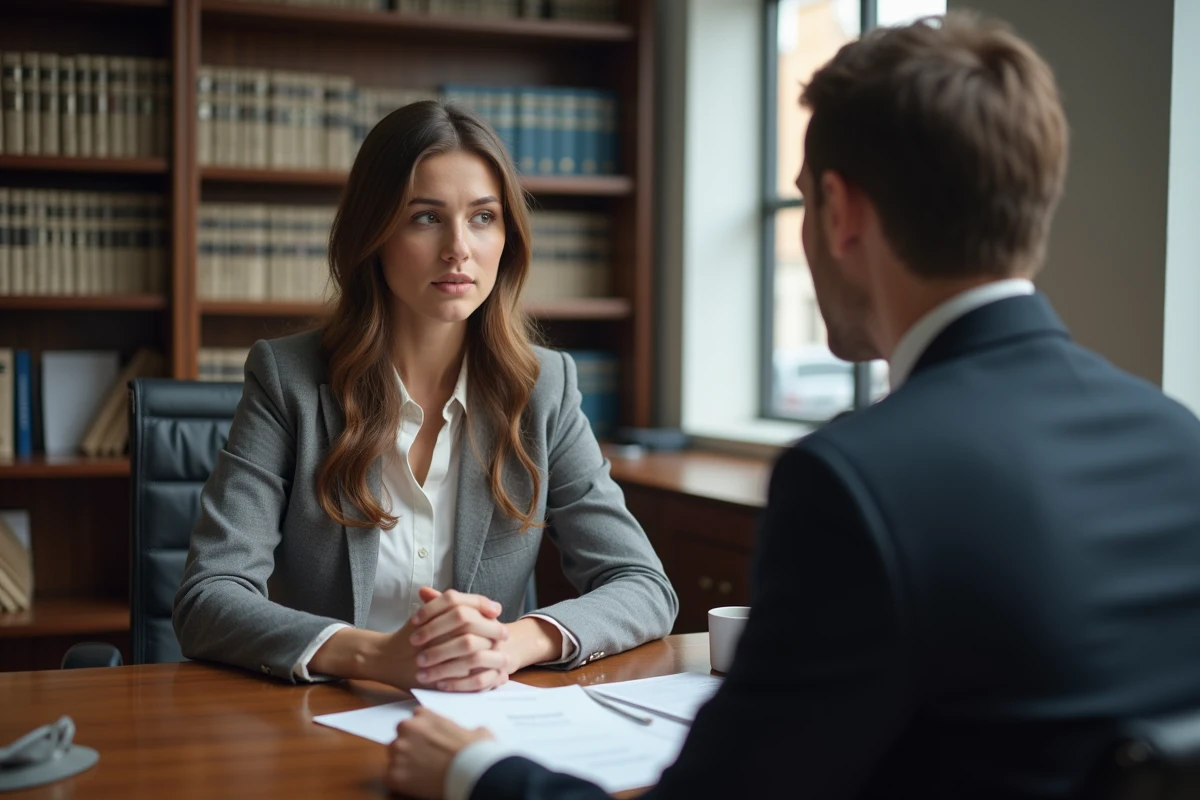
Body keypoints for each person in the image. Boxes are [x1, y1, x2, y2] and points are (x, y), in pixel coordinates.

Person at [383, 12, 1200, 800]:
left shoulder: (858, 481)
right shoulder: (1177, 442)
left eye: (805, 202)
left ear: (840, 213)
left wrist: (475, 775)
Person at [173, 101, 678, 692]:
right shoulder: (287, 379)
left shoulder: (543, 387)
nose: (458, 248)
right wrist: (374, 656)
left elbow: (643, 585)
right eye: (425, 217)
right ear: (374, 233)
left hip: (483, 722)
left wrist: (514, 642)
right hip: (322, 718)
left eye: (483, 217)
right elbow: (209, 596)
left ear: (506, 238)